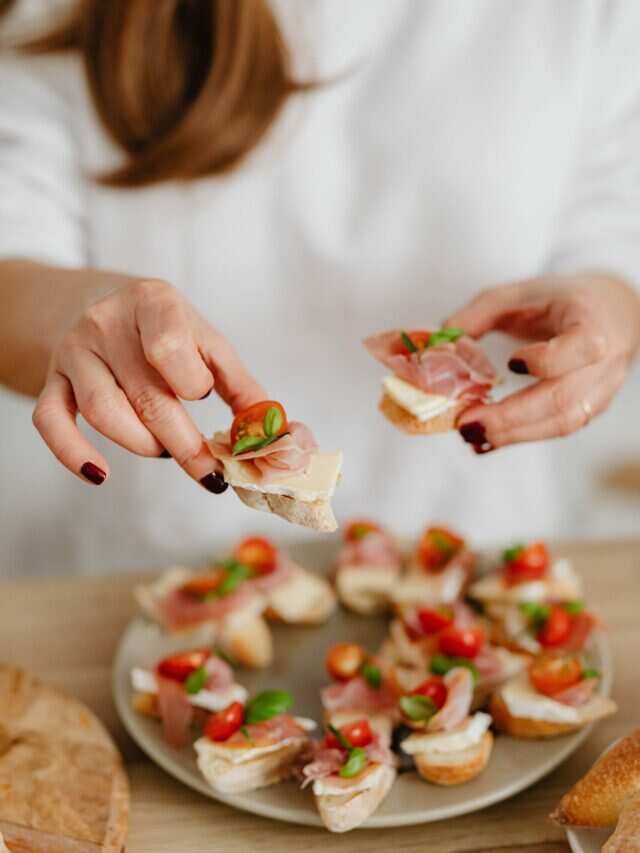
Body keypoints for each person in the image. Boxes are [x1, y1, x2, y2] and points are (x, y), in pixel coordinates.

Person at [0, 0, 639, 576]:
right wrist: (85, 320)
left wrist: (608, 313)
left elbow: (613, 242)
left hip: (482, 554)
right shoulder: (70, 14)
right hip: (157, 564)